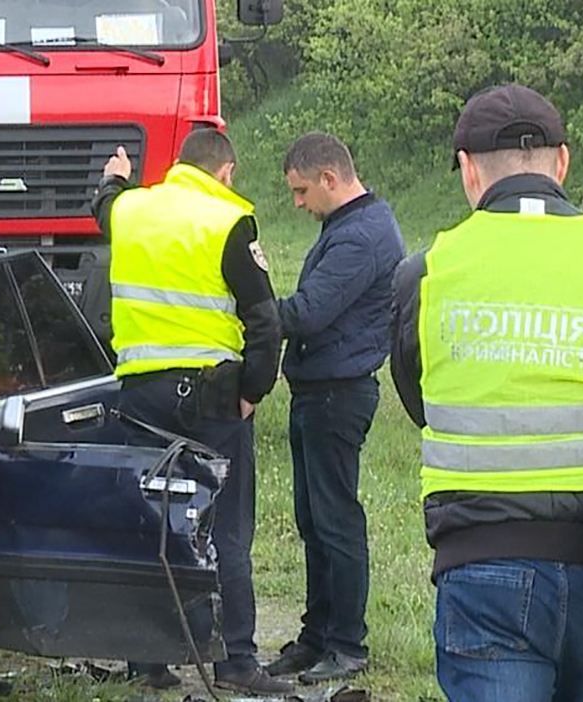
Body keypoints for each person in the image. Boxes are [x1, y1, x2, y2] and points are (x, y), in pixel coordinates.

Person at [389, 83, 583, 701]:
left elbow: (418, 399)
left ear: (468, 170)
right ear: (563, 162)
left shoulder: (426, 273)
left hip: (483, 564)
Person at [92, 129, 290, 696]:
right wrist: (254, 390)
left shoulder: (133, 210)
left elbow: (104, 207)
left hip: (140, 394)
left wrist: (114, 177)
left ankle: (147, 660)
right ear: (225, 172)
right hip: (212, 396)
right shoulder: (229, 221)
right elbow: (265, 320)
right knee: (225, 526)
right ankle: (235, 662)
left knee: (151, 519)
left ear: (180, 166)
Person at [263, 133, 404, 684]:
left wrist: (248, 308)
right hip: (319, 390)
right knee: (314, 520)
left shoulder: (360, 238)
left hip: (337, 394)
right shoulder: (350, 226)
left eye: (301, 191)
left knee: (336, 521)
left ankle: (346, 644)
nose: (298, 203)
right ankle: (317, 635)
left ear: (329, 178)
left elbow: (307, 313)